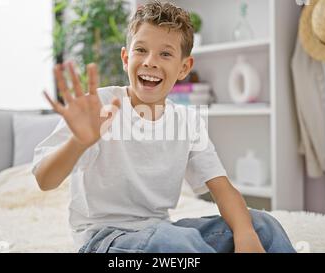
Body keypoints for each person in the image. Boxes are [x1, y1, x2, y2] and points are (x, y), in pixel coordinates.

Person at [33, 0, 296, 253]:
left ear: (184, 68)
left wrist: (245, 236)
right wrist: (79, 142)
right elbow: (45, 180)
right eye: (141, 50)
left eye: (166, 53)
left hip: (159, 230)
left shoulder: (187, 122)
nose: (150, 61)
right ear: (126, 58)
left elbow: (223, 189)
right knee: (174, 244)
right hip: (103, 238)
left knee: (262, 225)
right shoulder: (99, 106)